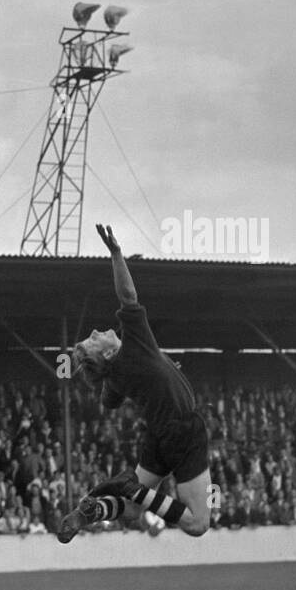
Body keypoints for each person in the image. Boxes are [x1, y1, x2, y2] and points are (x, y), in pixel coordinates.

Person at [57, 224, 212, 543]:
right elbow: (128, 296)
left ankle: (93, 512)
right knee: (197, 523)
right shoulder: (133, 346)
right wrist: (116, 254)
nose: (98, 331)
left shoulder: (115, 378)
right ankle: (129, 486)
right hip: (183, 429)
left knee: (130, 511)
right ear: (110, 352)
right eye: (94, 339)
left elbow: (108, 402)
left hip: (157, 434)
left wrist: (155, 371)